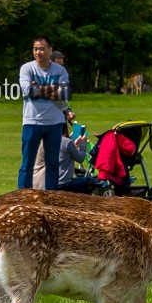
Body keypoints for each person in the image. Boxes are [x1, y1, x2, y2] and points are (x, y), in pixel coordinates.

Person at [18, 37, 70, 189]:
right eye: (35, 49)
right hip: (31, 122)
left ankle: (50, 198)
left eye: (41, 49)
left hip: (54, 123)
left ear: (50, 50)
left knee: (52, 164)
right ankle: (23, 197)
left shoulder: (60, 70)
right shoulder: (27, 68)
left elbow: (63, 94)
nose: (38, 52)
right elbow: (27, 90)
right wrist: (52, 89)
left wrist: (38, 87)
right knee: (27, 164)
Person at [34, 110, 91, 191]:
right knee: (92, 181)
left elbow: (60, 151)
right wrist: (83, 144)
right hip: (63, 183)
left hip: (40, 182)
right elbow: (80, 158)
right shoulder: (66, 142)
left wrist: (71, 143)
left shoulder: (41, 140)